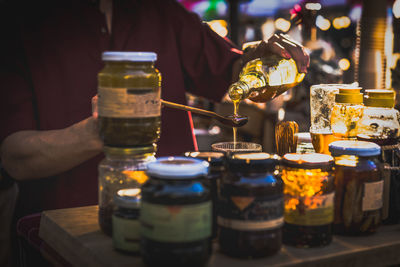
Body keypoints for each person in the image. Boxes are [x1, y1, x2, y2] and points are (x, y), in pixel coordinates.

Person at [0, 0, 308, 265]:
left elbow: (233, 69)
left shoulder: (159, 11)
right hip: (63, 233)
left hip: (179, 215)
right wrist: (105, 129)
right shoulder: (24, 20)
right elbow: (15, 157)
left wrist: (260, 56)